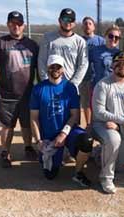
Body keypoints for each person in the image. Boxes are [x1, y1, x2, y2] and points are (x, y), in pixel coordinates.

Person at [0, 10, 39, 168]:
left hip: (28, 93)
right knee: (7, 125)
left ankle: (28, 147)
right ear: (8, 25)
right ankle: (5, 152)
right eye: (12, 23)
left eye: (19, 24)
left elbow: (39, 69)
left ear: (24, 25)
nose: (16, 26)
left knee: (27, 124)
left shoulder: (32, 45)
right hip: (7, 93)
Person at [30, 54, 93, 186]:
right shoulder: (38, 89)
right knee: (50, 175)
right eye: (52, 66)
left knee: (86, 141)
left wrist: (63, 133)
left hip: (67, 131)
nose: (55, 69)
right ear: (47, 68)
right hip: (48, 137)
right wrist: (38, 141)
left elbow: (74, 115)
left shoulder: (70, 88)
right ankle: (60, 155)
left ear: (63, 69)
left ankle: (78, 172)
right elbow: (34, 117)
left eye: (58, 67)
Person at [92, 51, 124, 194]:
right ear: (112, 66)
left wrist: (120, 123)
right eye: (118, 64)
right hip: (102, 124)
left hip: (123, 126)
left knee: (120, 167)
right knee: (114, 139)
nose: (122, 66)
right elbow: (98, 112)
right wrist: (121, 121)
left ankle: (97, 153)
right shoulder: (103, 84)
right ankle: (106, 177)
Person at [38, 8, 88, 90]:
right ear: (59, 20)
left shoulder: (80, 42)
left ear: (74, 23)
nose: (68, 22)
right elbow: (42, 61)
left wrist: (73, 84)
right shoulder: (47, 37)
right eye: (65, 18)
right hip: (50, 86)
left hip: (70, 88)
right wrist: (47, 82)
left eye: (71, 20)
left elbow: (83, 65)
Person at [79, 17, 105, 128]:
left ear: (93, 26)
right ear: (82, 27)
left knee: (99, 102)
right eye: (85, 24)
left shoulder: (100, 41)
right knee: (86, 103)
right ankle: (89, 125)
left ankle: (98, 124)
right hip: (83, 77)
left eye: (90, 23)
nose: (87, 25)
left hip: (98, 77)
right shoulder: (79, 40)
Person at [90, 24, 121, 89]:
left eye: (116, 37)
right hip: (98, 87)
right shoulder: (95, 50)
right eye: (111, 36)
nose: (113, 39)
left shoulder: (120, 54)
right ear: (105, 36)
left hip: (114, 88)